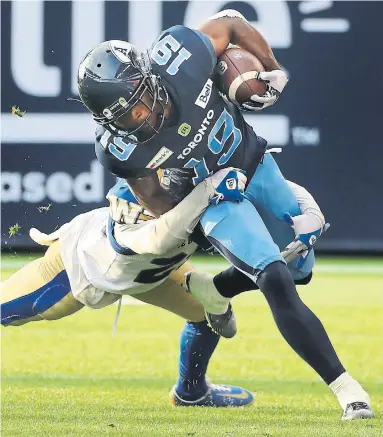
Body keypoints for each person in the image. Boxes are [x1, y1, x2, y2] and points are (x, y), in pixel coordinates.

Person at [76, 10, 374, 420]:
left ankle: (217, 289)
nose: (139, 117)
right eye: (125, 115)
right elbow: (159, 204)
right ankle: (348, 391)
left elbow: (231, 21)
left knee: (302, 265)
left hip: (255, 162)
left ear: (149, 78)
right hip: (217, 199)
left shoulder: (179, 55)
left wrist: (271, 69)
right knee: (277, 280)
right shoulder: (120, 149)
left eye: (139, 102)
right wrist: (198, 197)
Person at [1, 169, 254, 407]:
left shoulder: (195, 169)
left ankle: (191, 391)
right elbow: (157, 238)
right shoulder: (139, 198)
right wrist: (205, 194)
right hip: (84, 266)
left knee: (208, 308)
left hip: (151, 271)